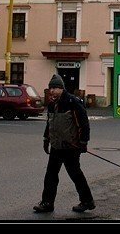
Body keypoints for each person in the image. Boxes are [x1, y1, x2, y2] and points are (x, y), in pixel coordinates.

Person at [33, 74, 95, 214]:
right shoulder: (51, 104)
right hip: (56, 146)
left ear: (62, 88)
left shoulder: (72, 102)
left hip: (70, 147)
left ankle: (87, 201)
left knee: (75, 174)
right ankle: (47, 203)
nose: (52, 91)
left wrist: (83, 142)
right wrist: (46, 139)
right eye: (51, 88)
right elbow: (50, 123)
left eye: (55, 88)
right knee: (51, 175)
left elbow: (83, 124)